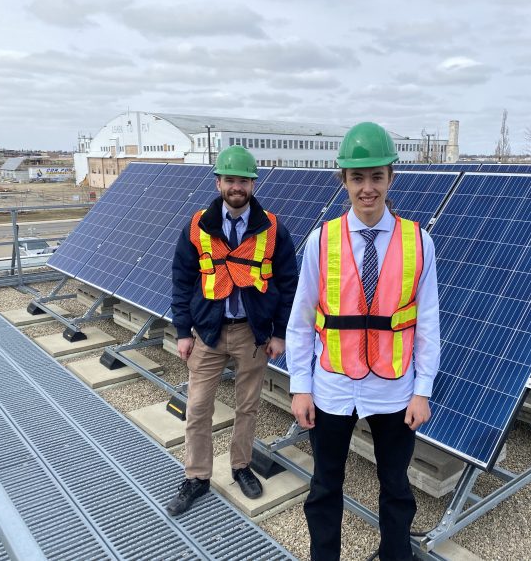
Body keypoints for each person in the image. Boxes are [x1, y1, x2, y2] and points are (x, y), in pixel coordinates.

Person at [287, 122, 440, 560]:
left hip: (394, 389)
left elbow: (427, 322)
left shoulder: (419, 242)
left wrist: (422, 391)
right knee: (324, 487)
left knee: (396, 488)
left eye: (376, 176)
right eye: (358, 177)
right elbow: (300, 321)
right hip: (332, 385)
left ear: (391, 178)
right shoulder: (321, 240)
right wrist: (301, 385)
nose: (367, 188)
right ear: (344, 181)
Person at [167, 145, 298, 516]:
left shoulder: (272, 228)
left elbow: (289, 283)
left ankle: (241, 467)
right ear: (218, 182)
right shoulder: (197, 225)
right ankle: (196, 477)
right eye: (230, 180)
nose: (236, 186)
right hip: (207, 331)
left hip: (252, 333)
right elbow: (182, 279)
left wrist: (279, 333)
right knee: (197, 407)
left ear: (252, 184)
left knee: (248, 406)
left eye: (243, 180)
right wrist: (182, 331)